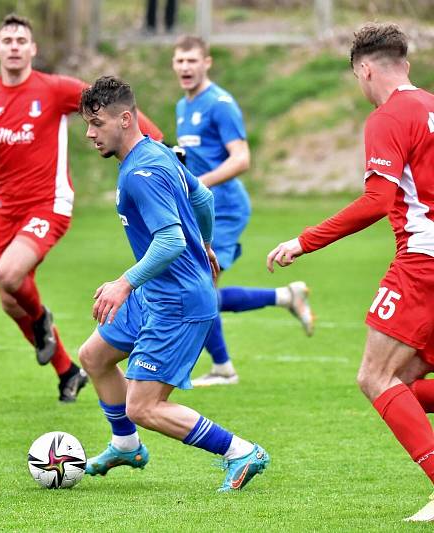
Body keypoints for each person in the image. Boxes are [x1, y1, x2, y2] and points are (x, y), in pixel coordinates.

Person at [267, 23, 434, 522]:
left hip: (422, 261)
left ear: (364, 70)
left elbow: (377, 201)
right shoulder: (430, 103)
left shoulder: (388, 117)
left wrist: (304, 240)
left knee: (375, 377)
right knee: (404, 379)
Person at [0, 14, 165, 402]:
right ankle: (67, 371)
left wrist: (154, 142)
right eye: (8, 40)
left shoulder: (53, 90)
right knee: (9, 296)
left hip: (49, 203)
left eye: (22, 39)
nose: (15, 46)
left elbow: (112, 105)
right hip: (8, 209)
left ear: (33, 49)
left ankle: (41, 323)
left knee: (8, 274)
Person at [77, 75, 269, 491]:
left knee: (144, 406)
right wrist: (206, 241)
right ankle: (125, 445)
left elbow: (169, 239)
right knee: (94, 356)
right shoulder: (156, 153)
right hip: (156, 292)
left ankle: (240, 451)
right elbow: (204, 198)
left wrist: (124, 282)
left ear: (125, 119)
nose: (90, 134)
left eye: (97, 124)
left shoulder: (141, 172)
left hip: (178, 304)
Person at [172, 35, 314, 387]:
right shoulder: (182, 106)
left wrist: (197, 182)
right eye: (180, 61)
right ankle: (284, 297)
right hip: (201, 208)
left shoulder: (220, 104)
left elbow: (241, 158)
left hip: (226, 209)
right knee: (198, 289)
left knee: (197, 289)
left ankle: (222, 367)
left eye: (193, 60)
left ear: (207, 62)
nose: (186, 67)